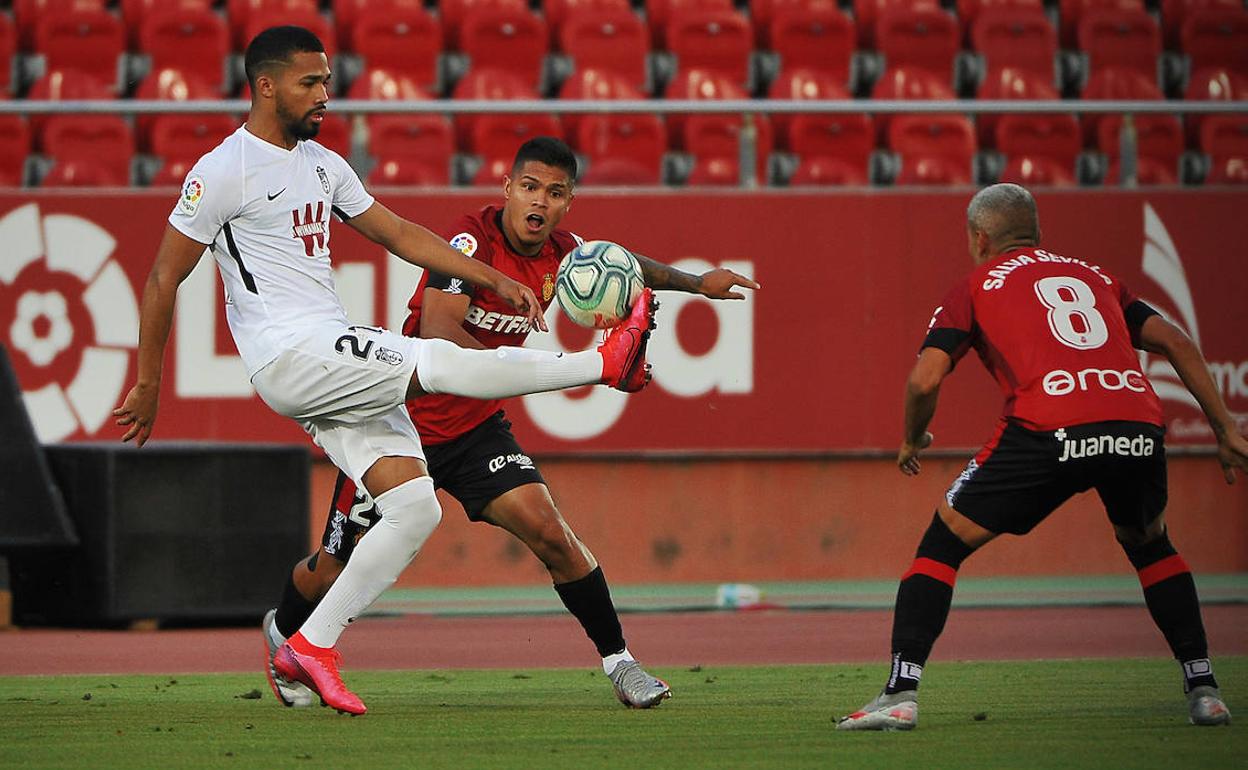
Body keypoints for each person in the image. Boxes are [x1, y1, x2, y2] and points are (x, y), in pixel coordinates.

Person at [113, 27, 658, 716]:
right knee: (437, 361)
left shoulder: (324, 165)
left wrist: (491, 276)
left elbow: (399, 234)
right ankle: (599, 364)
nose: (325, 94)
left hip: (329, 349)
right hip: (289, 353)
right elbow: (164, 277)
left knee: (412, 508)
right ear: (267, 85)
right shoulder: (223, 170)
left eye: (328, 80)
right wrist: (149, 381)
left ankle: (307, 645)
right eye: (311, 82)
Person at [261, 136, 761, 710]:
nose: (539, 203)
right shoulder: (469, 242)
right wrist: (517, 366)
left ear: (569, 202)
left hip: (476, 433)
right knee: (330, 567)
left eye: (554, 193)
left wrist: (698, 284)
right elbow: (440, 335)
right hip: (400, 425)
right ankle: (284, 631)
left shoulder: (568, 255)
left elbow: (628, 265)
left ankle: (621, 664)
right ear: (507, 188)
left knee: (553, 534)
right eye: (529, 188)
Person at [836, 183, 1247, 731]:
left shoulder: (976, 286)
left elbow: (925, 377)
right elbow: (1175, 340)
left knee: (941, 546)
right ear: (1037, 233)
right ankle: (1205, 689)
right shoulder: (1097, 277)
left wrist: (913, 438)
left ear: (979, 238)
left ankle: (900, 695)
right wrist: (1224, 427)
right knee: (1151, 545)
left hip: (1047, 427)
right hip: (1134, 426)